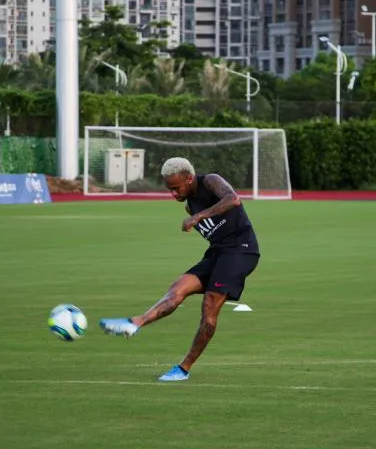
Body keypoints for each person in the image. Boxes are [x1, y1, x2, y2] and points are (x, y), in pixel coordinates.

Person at [100, 157, 261, 382]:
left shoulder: (210, 182)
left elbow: (233, 199)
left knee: (210, 305)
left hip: (242, 250)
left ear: (189, 178)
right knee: (177, 289)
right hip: (218, 252)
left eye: (176, 188)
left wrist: (198, 216)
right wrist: (195, 214)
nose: (173, 194)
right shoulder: (189, 202)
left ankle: (183, 368)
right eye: (169, 189)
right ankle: (135, 323)